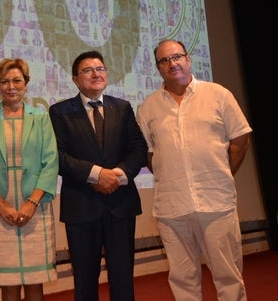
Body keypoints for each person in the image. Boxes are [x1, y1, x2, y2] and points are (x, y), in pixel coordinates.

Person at [136, 39, 252, 301]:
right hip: (172, 207)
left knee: (228, 278)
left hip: (216, 203)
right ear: (157, 68)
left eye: (176, 57)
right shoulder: (148, 107)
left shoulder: (218, 94)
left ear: (188, 59)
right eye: (164, 60)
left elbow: (240, 139)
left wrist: (221, 172)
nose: (172, 64)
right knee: (183, 281)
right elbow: (147, 153)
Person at [49, 50, 147, 301]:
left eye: (100, 69)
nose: (96, 74)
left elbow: (138, 148)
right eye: (88, 70)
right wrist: (96, 175)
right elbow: (57, 156)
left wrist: (118, 175)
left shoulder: (123, 108)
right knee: (85, 280)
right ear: (75, 79)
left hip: (120, 204)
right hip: (81, 206)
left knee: (123, 278)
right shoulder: (59, 112)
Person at [0, 58, 59, 301]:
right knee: (8, 282)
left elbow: (50, 163)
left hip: (36, 207)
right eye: (4, 81)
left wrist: (31, 203)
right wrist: (2, 206)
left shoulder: (41, 117)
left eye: (16, 81)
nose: (10, 86)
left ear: (26, 84)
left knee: (35, 282)